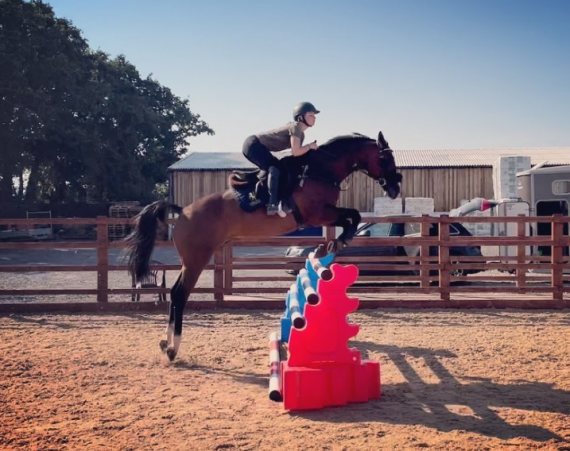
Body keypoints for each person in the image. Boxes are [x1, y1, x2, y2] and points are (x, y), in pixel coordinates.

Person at [242, 102, 320, 217]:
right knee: (275, 168)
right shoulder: (296, 127)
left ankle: (259, 196)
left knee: (277, 168)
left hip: (257, 146)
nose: (314, 118)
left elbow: (297, 155)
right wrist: (310, 146)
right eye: (311, 115)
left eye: (314, 115)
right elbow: (296, 151)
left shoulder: (300, 133)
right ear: (300, 117)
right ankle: (271, 204)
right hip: (253, 144)